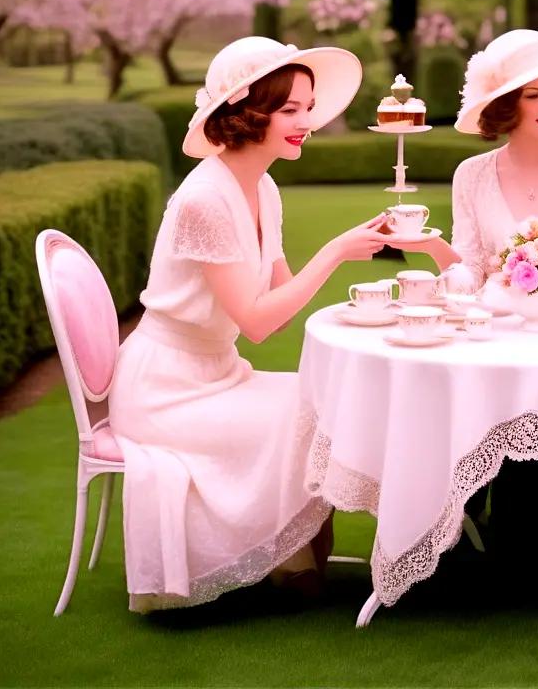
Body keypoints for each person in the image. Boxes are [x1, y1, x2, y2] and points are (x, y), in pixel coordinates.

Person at [110, 36, 389, 612]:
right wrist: (336, 251)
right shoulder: (204, 199)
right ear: (245, 114)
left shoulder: (261, 185)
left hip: (220, 372)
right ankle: (300, 574)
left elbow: (277, 296)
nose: (305, 121)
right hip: (168, 391)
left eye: (307, 107)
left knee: (323, 401)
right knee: (308, 416)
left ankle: (302, 566)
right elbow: (260, 324)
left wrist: (365, 297)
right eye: (289, 109)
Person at [387, 28, 538, 555]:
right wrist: (434, 254)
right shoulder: (471, 174)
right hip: (498, 344)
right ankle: (465, 512)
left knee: (536, 515)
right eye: (534, 94)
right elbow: (469, 272)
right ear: (505, 104)